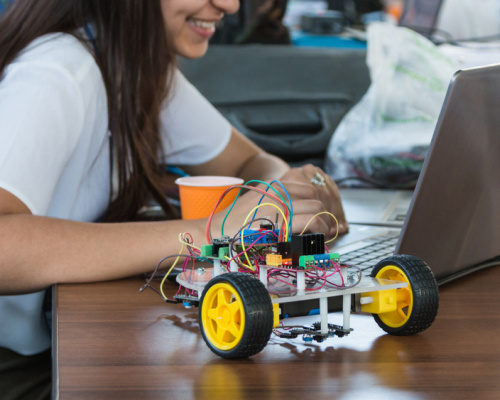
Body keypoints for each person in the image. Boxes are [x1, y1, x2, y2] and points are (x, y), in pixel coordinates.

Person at [0, 0, 348, 398]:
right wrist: (213, 229)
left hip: (49, 341)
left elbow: (251, 159)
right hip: (15, 363)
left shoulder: (133, 65)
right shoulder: (57, 72)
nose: (229, 5)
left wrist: (277, 193)